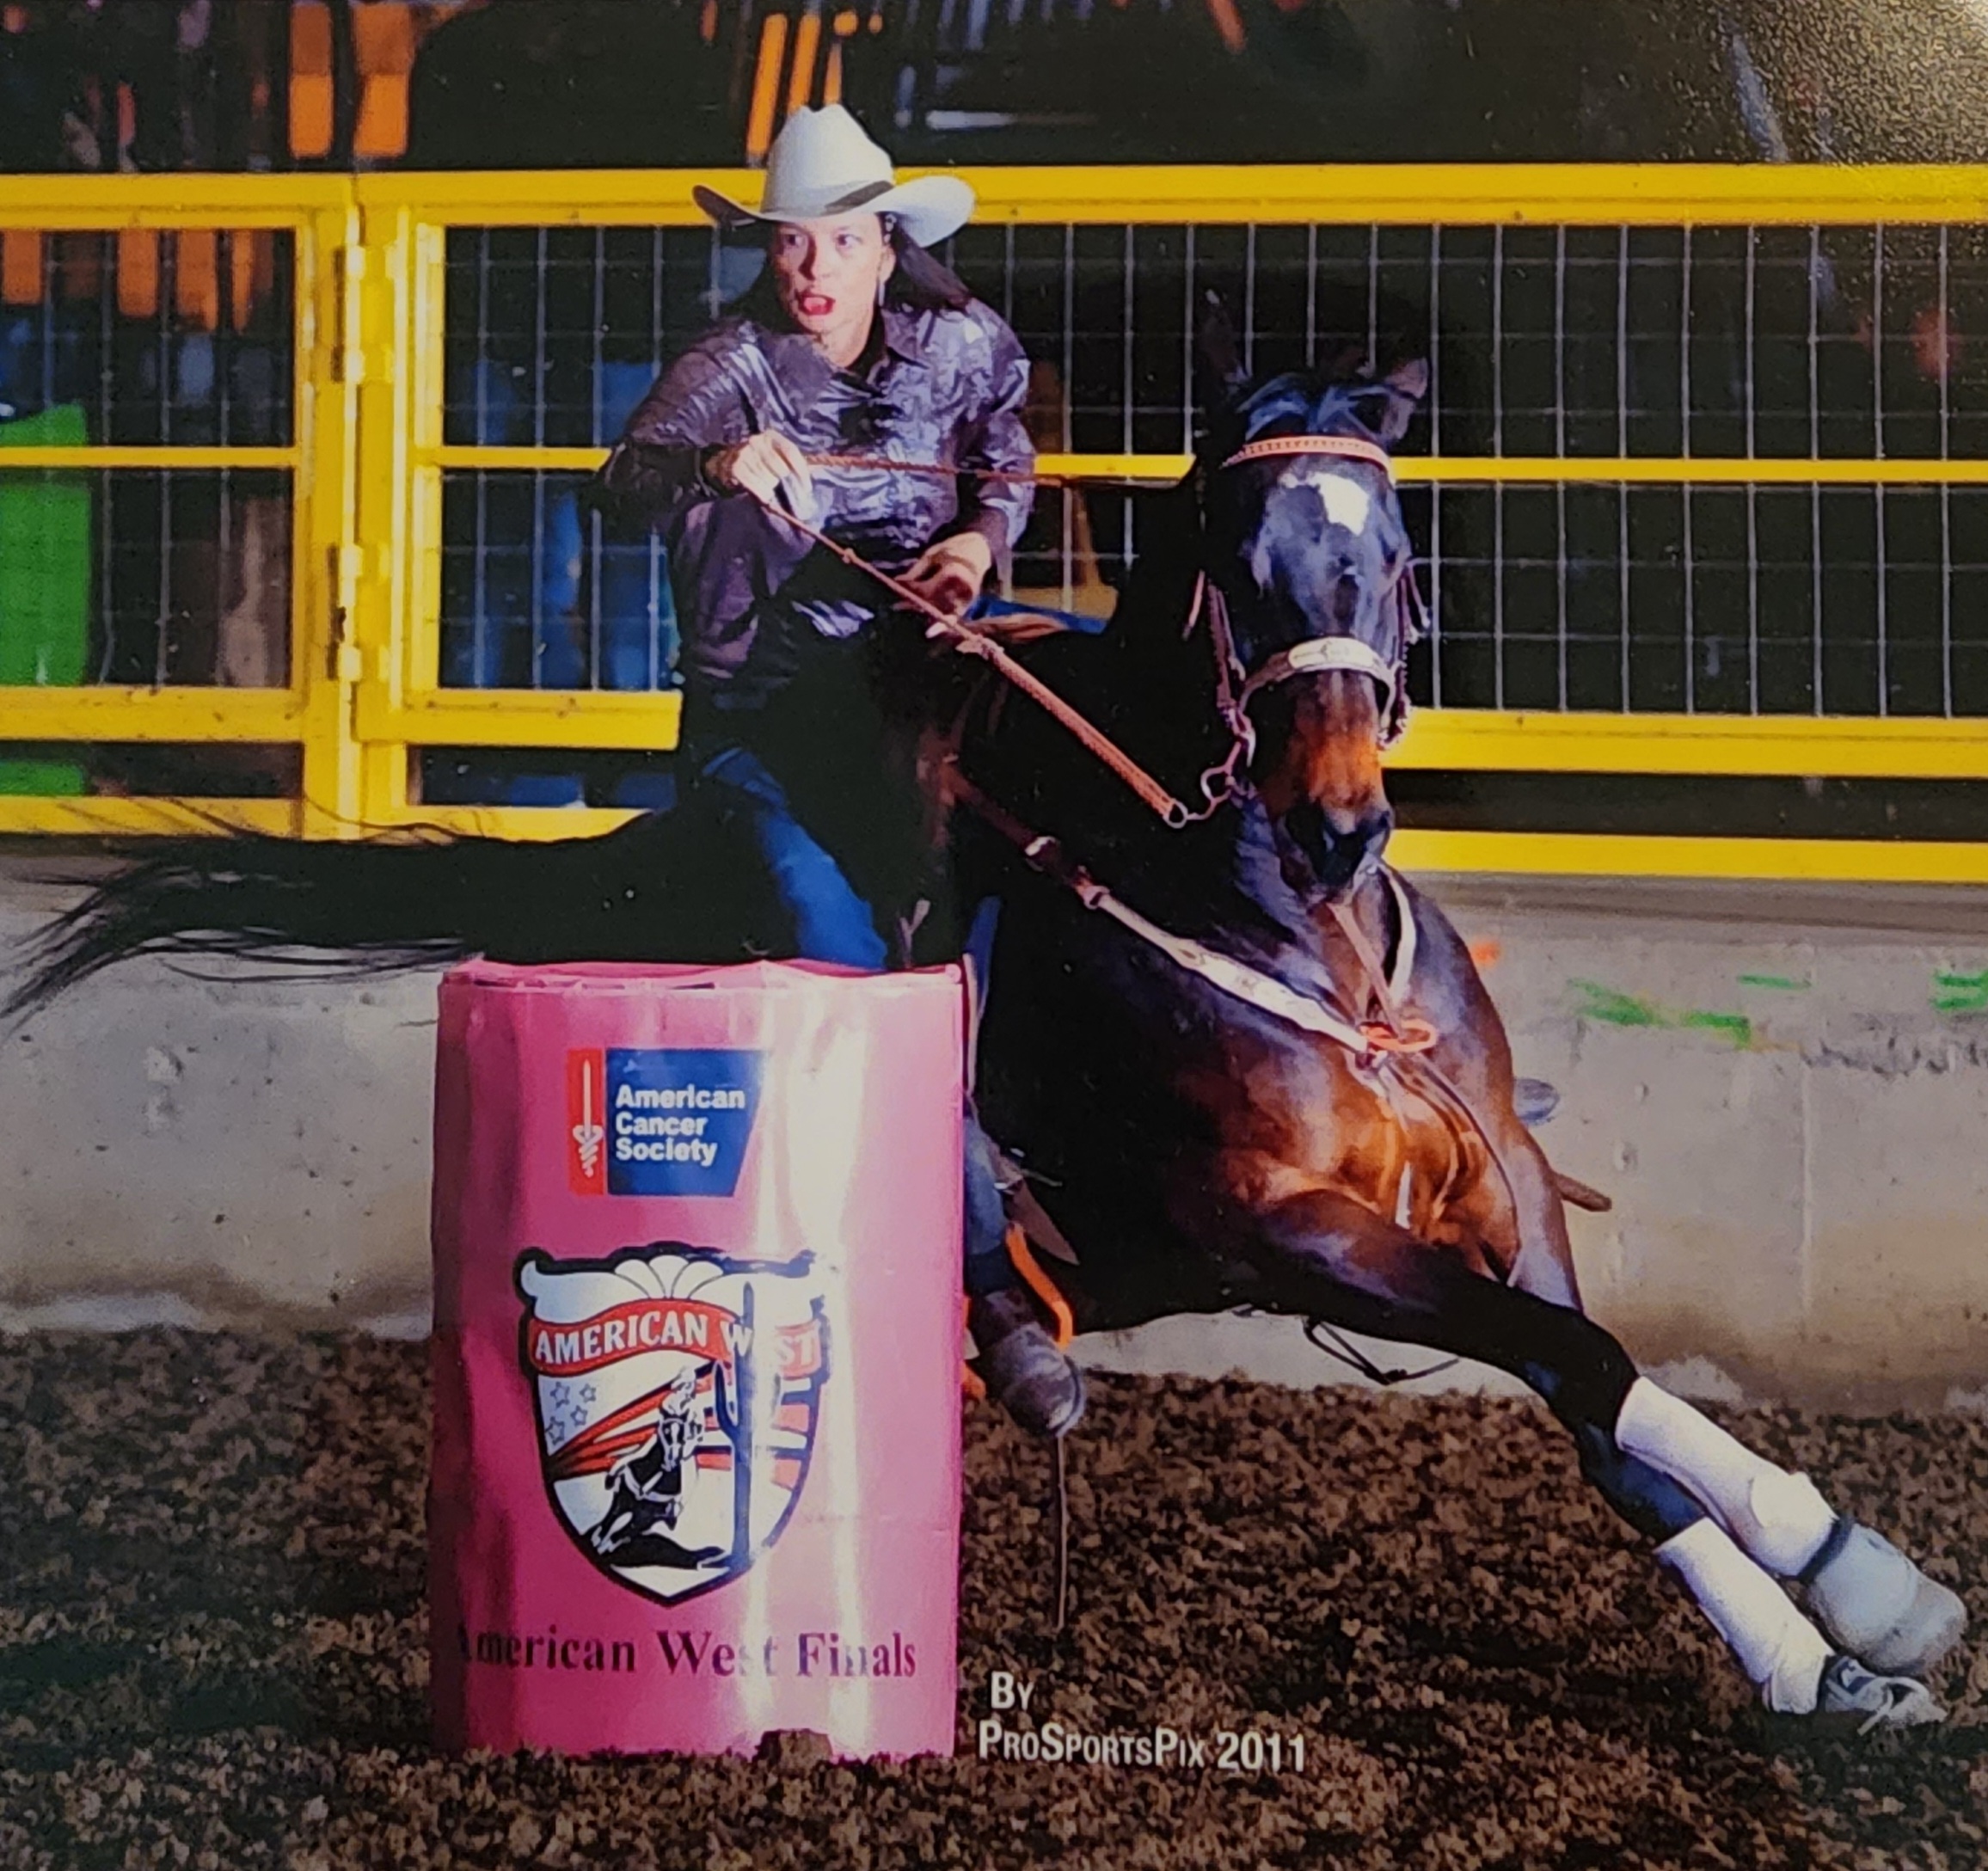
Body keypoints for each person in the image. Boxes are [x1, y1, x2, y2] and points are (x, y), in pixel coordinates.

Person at [591, 104, 1084, 1439]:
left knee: (1104, 727)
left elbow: (1006, 456)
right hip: (762, 723)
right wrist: (708, 461)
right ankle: (988, 1289)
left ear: (887, 249)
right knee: (835, 935)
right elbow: (619, 485)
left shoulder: (966, 346)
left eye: (842, 244)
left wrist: (979, 550)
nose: (814, 270)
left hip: (918, 699)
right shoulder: (730, 366)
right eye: (792, 245)